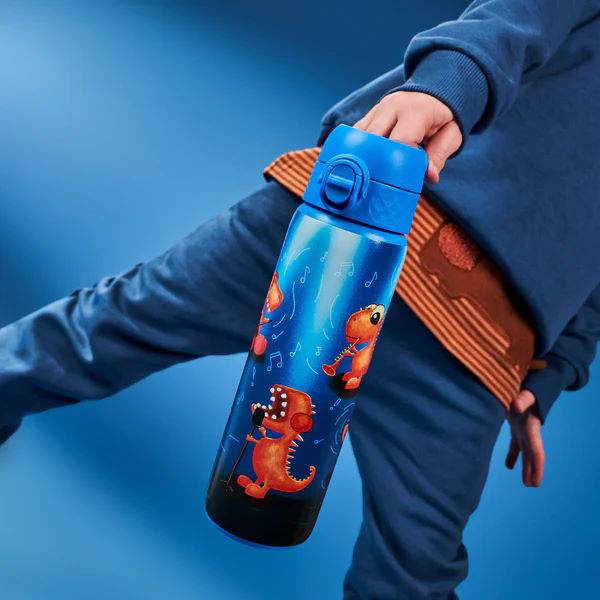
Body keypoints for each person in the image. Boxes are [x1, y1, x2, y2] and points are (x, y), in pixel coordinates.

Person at [1, 0, 599, 597]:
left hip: (482, 342)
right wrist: (450, 84)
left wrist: (552, 371)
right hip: (375, 206)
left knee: (414, 573)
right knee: (111, 328)